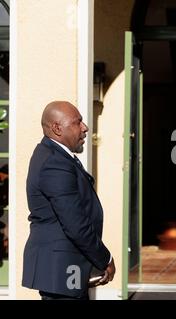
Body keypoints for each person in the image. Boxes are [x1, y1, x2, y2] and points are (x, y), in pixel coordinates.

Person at [22, 101, 115, 300]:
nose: (85, 128)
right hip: (62, 269)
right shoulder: (54, 162)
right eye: (77, 122)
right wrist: (105, 258)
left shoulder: (56, 156)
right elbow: (75, 223)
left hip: (65, 268)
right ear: (57, 128)